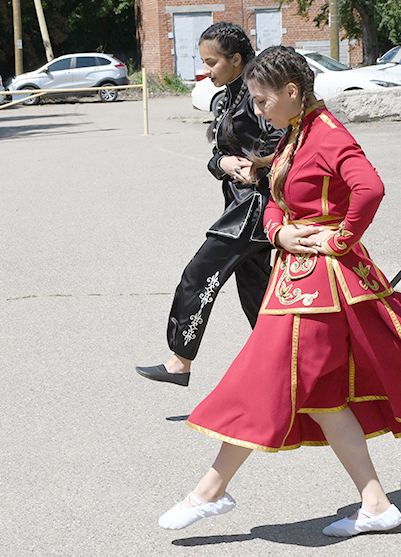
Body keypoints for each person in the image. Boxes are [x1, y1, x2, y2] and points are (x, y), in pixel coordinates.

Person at [157, 46, 401, 536]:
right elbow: (274, 193)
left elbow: (369, 189)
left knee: (263, 377)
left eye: (262, 100)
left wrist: (340, 237)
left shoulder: (328, 135)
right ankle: (376, 505)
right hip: (298, 277)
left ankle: (209, 491)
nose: (257, 109)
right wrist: (279, 233)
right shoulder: (295, 131)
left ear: (292, 92)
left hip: (323, 287)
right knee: (323, 397)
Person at [136, 22, 285, 387]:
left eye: (213, 62)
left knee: (198, 275)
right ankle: (284, 370)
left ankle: (179, 361)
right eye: (203, 61)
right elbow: (217, 154)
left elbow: (283, 139)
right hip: (238, 205)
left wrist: (255, 164)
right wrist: (225, 163)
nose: (207, 70)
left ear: (236, 59)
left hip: (254, 208)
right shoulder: (224, 99)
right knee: (257, 295)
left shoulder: (257, 95)